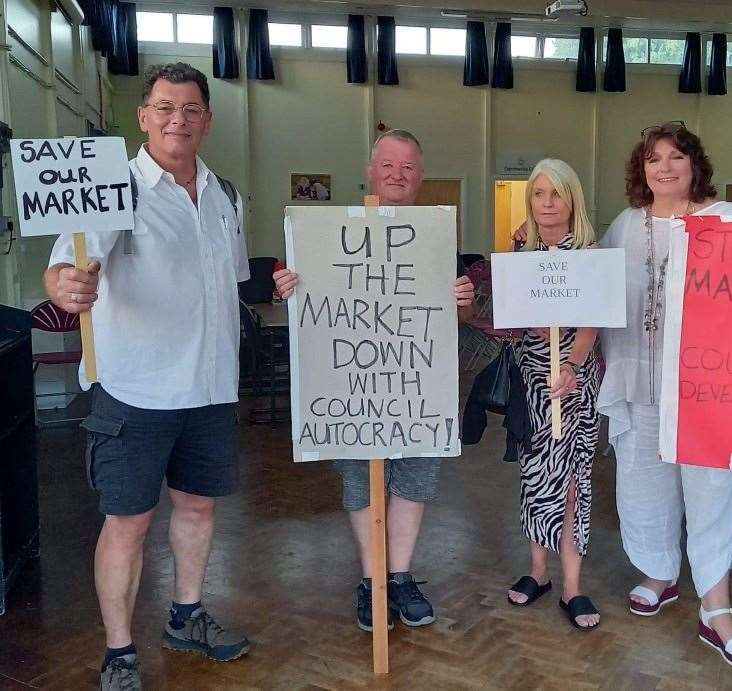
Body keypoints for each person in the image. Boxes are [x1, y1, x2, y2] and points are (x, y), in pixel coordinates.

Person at [44, 62, 250, 691]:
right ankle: (119, 650)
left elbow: (233, 284)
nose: (177, 119)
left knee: (196, 508)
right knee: (127, 523)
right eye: (164, 106)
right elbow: (63, 268)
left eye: (190, 108)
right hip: (134, 393)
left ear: (207, 120)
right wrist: (69, 285)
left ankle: (186, 616)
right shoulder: (110, 190)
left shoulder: (224, 195)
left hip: (211, 391)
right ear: (143, 116)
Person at [596, 122, 732, 670]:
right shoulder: (625, 225)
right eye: (653, 158)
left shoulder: (729, 221)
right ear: (642, 169)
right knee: (642, 480)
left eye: (676, 157)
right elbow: (594, 287)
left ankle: (716, 605)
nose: (664, 167)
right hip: (640, 379)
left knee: (712, 486)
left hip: (709, 387)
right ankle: (659, 573)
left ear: (694, 164)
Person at [273, 129, 475, 632]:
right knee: (361, 481)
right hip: (354, 388)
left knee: (414, 480)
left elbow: (453, 319)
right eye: (388, 164)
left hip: (415, 386)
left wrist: (464, 302)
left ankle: (400, 577)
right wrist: (289, 288)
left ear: (421, 176)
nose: (397, 175)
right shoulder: (329, 237)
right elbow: (308, 307)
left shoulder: (438, 238)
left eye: (408, 167)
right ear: (370, 171)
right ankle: (371, 581)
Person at [505, 159, 602, 630]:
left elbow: (591, 325)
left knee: (569, 483)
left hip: (571, 381)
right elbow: (509, 312)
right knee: (534, 477)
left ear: (571, 199)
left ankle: (572, 586)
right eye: (539, 194)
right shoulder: (521, 249)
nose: (546, 203)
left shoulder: (589, 252)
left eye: (555, 194)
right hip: (532, 381)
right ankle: (537, 572)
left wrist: (572, 365)